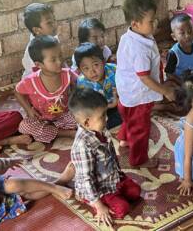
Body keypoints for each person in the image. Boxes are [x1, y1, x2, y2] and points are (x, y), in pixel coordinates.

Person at [57, 88, 141, 228]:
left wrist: (120, 175)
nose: (107, 118)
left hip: (112, 179)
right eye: (102, 116)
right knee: (122, 209)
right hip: (98, 188)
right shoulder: (82, 146)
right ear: (87, 123)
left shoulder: (99, 129)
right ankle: (85, 198)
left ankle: (115, 192)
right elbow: (86, 178)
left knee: (135, 192)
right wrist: (99, 206)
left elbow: (112, 157)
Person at [115, 0, 175, 167]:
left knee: (128, 117)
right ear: (135, 23)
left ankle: (124, 140)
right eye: (151, 21)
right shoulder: (139, 49)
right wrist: (165, 90)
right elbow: (145, 78)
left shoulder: (130, 36)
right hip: (138, 94)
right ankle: (139, 159)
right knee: (140, 128)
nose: (155, 23)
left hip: (126, 92)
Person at [15, 35, 77, 143]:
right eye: (53, 59)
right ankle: (64, 133)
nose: (59, 61)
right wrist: (28, 109)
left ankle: (53, 131)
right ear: (39, 64)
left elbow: (78, 83)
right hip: (41, 119)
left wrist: (74, 98)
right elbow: (17, 91)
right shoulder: (31, 81)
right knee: (24, 127)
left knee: (83, 117)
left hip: (64, 115)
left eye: (60, 56)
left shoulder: (67, 74)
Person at [74, 43, 122, 129]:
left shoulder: (114, 70)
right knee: (96, 124)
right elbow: (90, 107)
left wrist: (119, 98)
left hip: (120, 103)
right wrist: (112, 105)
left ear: (103, 62)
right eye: (86, 68)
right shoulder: (82, 83)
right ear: (80, 70)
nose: (92, 71)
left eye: (96, 65)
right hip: (100, 111)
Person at [22, 3, 58, 78]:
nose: (55, 25)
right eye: (49, 23)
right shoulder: (33, 51)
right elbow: (39, 76)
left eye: (54, 20)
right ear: (36, 30)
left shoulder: (53, 40)